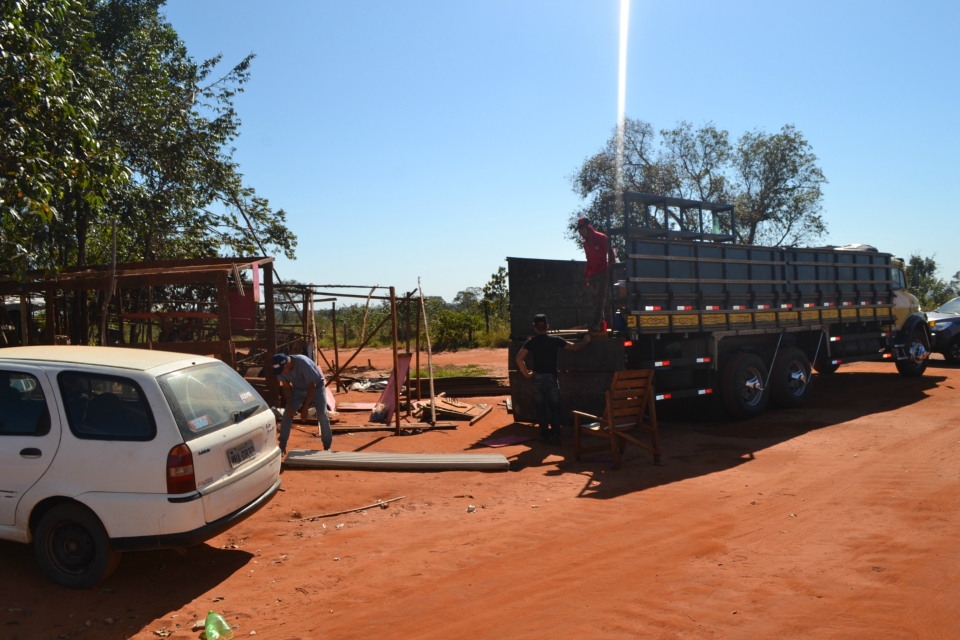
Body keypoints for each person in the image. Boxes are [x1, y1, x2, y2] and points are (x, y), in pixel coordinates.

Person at [515, 314, 591, 444]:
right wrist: (586, 341)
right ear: (548, 326)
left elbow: (518, 358)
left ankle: (545, 435)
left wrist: (527, 374)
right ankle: (556, 434)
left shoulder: (531, 342)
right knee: (555, 408)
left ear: (534, 327)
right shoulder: (555, 340)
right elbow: (574, 347)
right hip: (551, 378)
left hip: (537, 378)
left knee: (540, 408)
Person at [270, 353, 332, 455]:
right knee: (287, 414)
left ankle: (327, 445)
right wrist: (289, 405)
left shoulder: (303, 363)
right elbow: (286, 387)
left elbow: (312, 386)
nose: (282, 373)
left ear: (288, 363)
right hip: (298, 388)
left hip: (316, 388)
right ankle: (282, 446)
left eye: (283, 370)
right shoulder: (280, 369)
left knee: (322, 414)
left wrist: (305, 407)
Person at [576, 216, 617, 332]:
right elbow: (589, 260)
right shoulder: (585, 243)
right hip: (593, 273)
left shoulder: (601, 237)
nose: (580, 231)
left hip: (603, 271)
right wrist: (586, 276)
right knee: (594, 299)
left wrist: (613, 269)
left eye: (582, 229)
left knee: (600, 298)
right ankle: (600, 323)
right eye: (579, 229)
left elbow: (611, 253)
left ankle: (595, 323)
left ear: (588, 227)